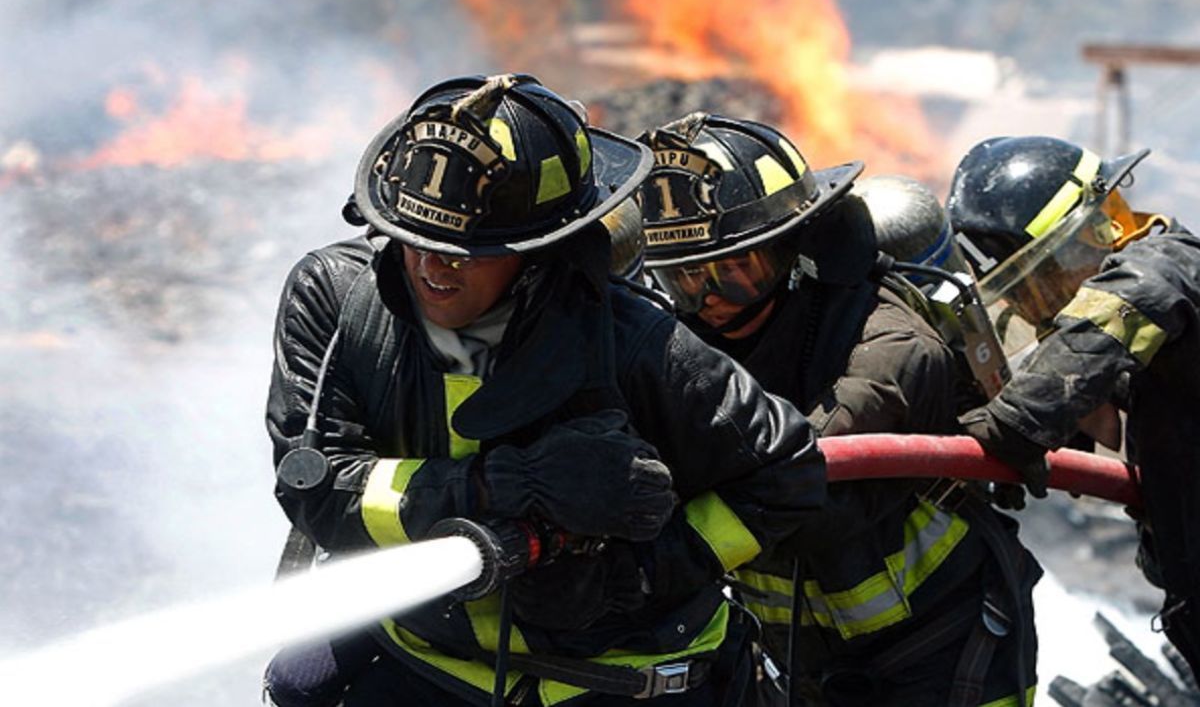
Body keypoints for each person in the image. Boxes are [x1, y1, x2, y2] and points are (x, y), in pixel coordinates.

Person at [263, 74, 827, 707]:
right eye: (414, 241)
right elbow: (316, 487)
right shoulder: (338, 304)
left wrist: (632, 578)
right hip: (428, 658)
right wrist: (494, 490)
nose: (429, 267)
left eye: (466, 252)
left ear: (541, 252)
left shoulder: (638, 343)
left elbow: (785, 477)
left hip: (619, 676)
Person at [637, 112, 1040, 706]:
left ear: (792, 248)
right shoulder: (682, 345)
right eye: (686, 277)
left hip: (947, 644)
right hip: (797, 654)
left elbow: (804, 494)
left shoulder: (888, 347)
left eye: (736, 269)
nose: (710, 299)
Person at [947, 134, 1200, 679]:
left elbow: (1089, 344)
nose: (1030, 309)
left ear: (1089, 235)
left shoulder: (1166, 267)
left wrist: (1006, 430)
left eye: (1036, 284)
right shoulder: (1153, 344)